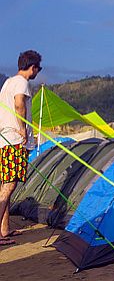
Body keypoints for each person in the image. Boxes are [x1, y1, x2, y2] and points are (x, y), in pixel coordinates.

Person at [0, 50, 42, 245]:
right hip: (14, 141)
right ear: (32, 67)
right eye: (38, 68)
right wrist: (22, 129)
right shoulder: (21, 83)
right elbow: (19, 104)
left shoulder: (8, 82)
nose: (38, 72)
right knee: (9, 185)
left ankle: (4, 229)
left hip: (4, 140)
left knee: (5, 185)